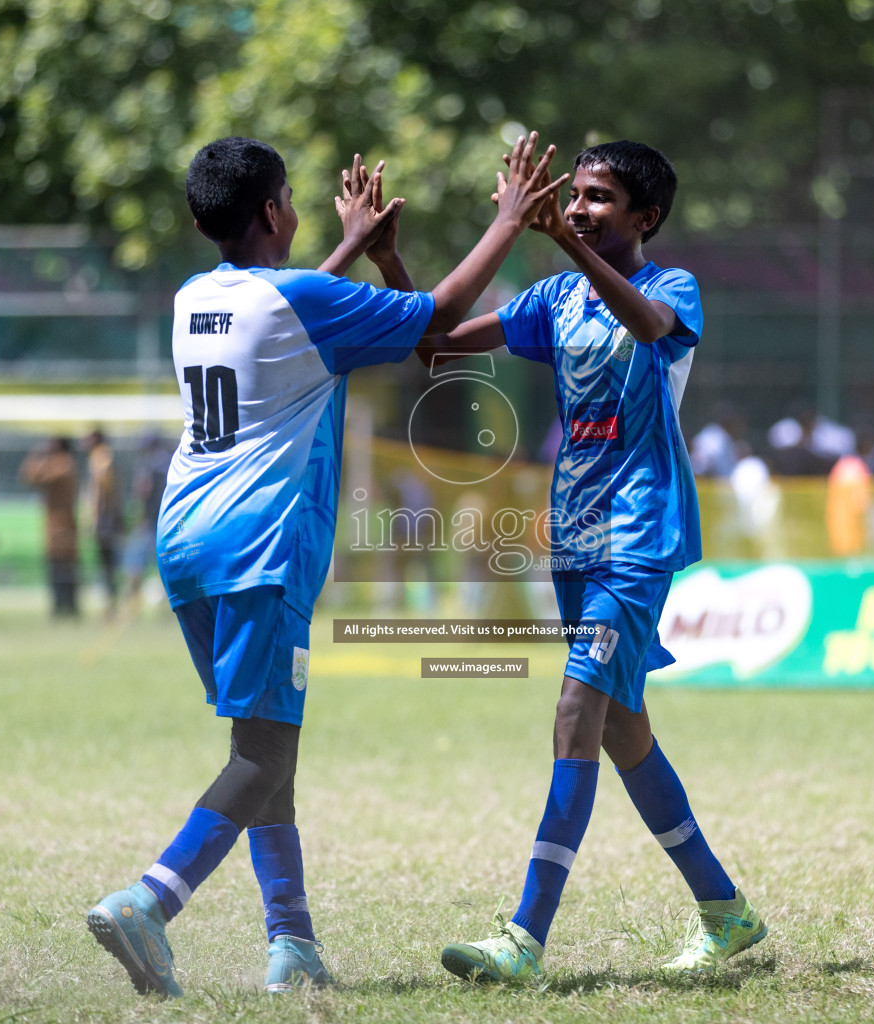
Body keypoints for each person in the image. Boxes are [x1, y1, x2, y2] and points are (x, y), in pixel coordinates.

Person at [84, 135, 566, 998]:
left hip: (187, 542)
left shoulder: (196, 296)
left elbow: (289, 303)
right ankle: (150, 901)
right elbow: (445, 315)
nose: (304, 213)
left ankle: (292, 943)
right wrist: (507, 221)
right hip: (259, 545)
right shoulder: (300, 300)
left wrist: (358, 247)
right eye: (294, 200)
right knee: (265, 752)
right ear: (272, 212)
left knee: (265, 742)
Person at [419, 140, 763, 982]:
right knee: (620, 730)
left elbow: (647, 331)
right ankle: (726, 912)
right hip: (571, 540)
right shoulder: (552, 298)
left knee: (576, 711)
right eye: (573, 195)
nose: (578, 208)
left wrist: (564, 244)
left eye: (599, 198)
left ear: (645, 218)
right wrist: (395, 259)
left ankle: (524, 939)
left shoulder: (669, 290)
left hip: (637, 539)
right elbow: (439, 343)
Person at [20, 437, 79, 619]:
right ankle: (61, 607)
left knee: (63, 569)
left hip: (62, 525)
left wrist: (35, 457)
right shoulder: (60, 463)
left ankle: (66, 607)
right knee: (57, 568)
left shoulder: (63, 464)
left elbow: (32, 476)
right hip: (56, 525)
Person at [120, 431, 171, 612]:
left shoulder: (147, 465)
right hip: (168, 524)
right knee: (167, 568)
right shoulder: (170, 463)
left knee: (135, 566)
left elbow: (142, 491)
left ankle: (132, 606)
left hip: (149, 524)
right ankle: (168, 607)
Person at [85, 428, 125, 616]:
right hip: (106, 520)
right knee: (108, 564)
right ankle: (111, 602)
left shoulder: (101, 459)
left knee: (108, 564)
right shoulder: (101, 457)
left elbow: (103, 494)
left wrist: (98, 520)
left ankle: (112, 604)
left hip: (105, 522)